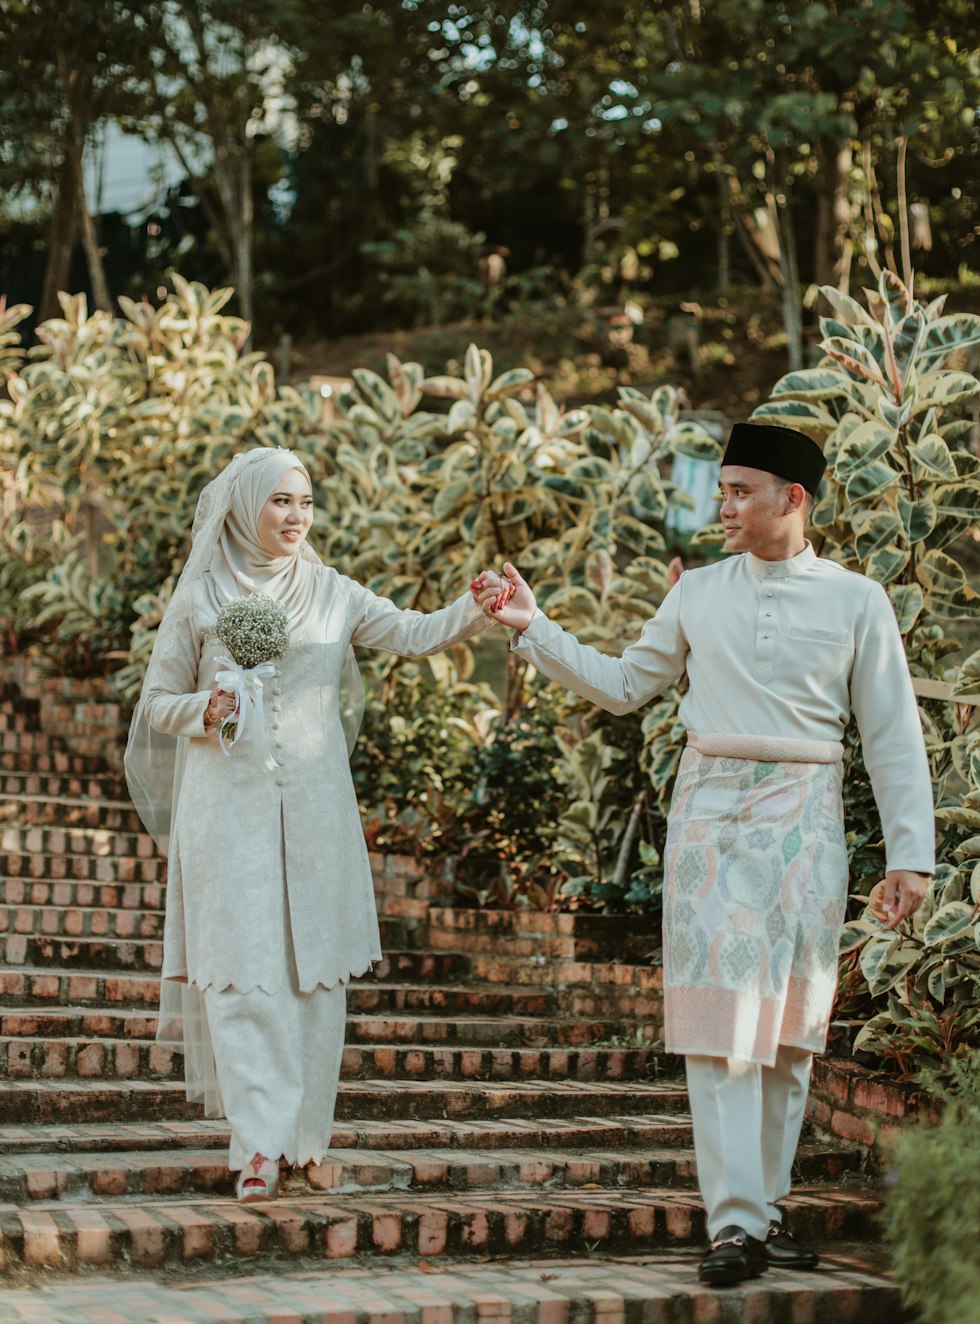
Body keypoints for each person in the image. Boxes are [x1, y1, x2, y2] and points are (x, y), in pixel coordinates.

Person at [472, 421, 934, 1286]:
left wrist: (910, 856)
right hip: (710, 826)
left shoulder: (857, 599)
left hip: (808, 819)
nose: (721, 506)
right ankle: (730, 1227)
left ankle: (759, 1217)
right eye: (719, 490)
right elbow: (620, 686)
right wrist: (531, 627)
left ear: (792, 500)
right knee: (725, 1029)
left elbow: (892, 734)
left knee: (791, 1034)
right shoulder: (697, 594)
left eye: (739, 491)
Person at [125, 447, 500, 1201]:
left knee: (314, 980)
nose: (296, 517)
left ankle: (304, 1141)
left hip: (318, 813)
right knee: (241, 977)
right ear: (245, 508)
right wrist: (210, 708)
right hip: (226, 814)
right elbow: (157, 700)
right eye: (280, 502)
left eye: (305, 502)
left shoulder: (331, 592)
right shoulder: (200, 596)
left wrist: (475, 606)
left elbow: (413, 632)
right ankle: (256, 1147)